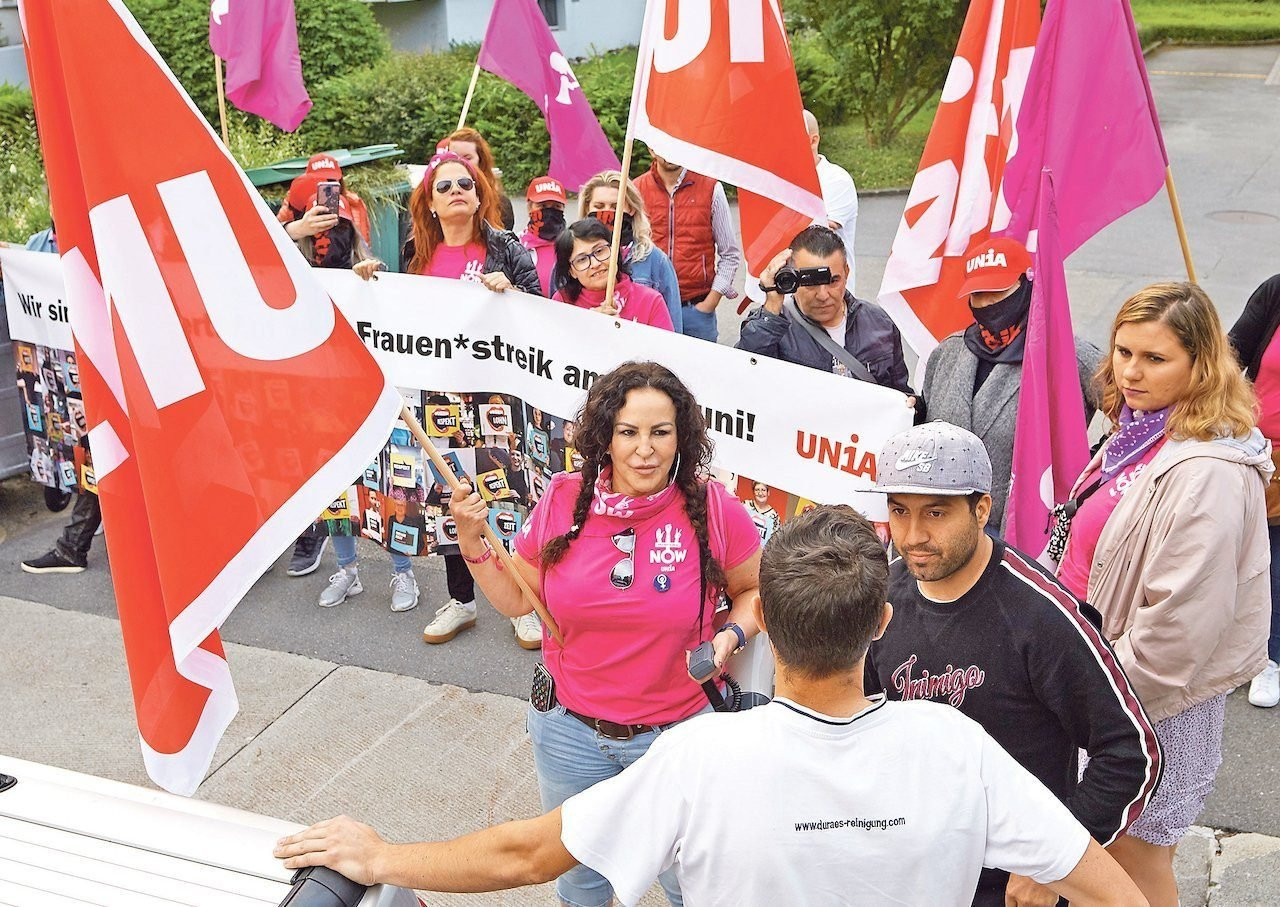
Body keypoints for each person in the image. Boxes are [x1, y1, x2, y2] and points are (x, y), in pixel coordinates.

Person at [274, 506, 1149, 907]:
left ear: (760, 615)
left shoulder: (702, 757)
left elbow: (523, 856)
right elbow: (1115, 894)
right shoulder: (953, 745)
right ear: (880, 621)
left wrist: (383, 853)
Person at [460, 361, 764, 904]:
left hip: (677, 738)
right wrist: (471, 540)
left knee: (690, 883)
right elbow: (513, 598)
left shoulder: (714, 508)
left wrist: (732, 636)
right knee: (579, 879)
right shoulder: (561, 498)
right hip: (569, 733)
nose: (643, 449)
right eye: (628, 432)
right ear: (605, 437)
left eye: (660, 432)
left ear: (682, 437)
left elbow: (754, 591)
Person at [867, 420, 1161, 907]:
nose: (913, 535)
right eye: (899, 511)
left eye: (935, 513)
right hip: (913, 873)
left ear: (982, 509)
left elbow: (1132, 752)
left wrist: (1056, 864)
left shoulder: (1039, 615)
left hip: (1013, 889)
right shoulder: (881, 598)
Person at [1055, 283, 1270, 906]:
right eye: (1123, 352)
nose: (1130, 372)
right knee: (1102, 859)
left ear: (1200, 365)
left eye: (1155, 359)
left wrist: (1094, 696)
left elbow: (1177, 632)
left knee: (1135, 860)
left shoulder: (1210, 473)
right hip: (1098, 675)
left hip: (1144, 701)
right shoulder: (1141, 430)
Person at [921, 235, 1102, 533]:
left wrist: (1087, 463)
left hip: (1021, 530)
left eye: (998, 291)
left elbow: (1133, 407)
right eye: (978, 294)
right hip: (944, 523)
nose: (987, 303)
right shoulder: (949, 352)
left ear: (1025, 285)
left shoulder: (1062, 354)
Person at [277, 154, 382, 578]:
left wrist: (366, 273)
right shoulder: (289, 221)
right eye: (321, 185)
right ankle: (309, 531)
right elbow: (253, 254)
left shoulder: (352, 212)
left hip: (343, 357)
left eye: (334, 184)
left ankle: (354, 540)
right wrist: (295, 231)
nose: (329, 192)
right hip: (297, 354)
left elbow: (371, 272)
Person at [737, 225, 914, 397]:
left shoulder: (880, 323)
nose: (823, 295)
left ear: (846, 272)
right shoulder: (772, 327)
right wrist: (772, 304)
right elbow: (742, 379)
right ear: (792, 279)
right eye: (811, 282)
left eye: (833, 281)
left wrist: (913, 406)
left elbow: (900, 395)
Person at [1227, 273, 1280, 708]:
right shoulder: (1276, 290)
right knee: (1242, 551)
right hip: (1256, 448)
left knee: (1278, 556)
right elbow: (1231, 351)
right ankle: (1236, 651)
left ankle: (1271, 657)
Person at [634, 152, 741, 342]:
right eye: (663, 143)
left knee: (698, 371)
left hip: (696, 309)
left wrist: (710, 302)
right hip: (649, 308)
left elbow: (730, 255)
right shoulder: (636, 190)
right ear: (650, 148)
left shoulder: (711, 188)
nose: (669, 150)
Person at [579, 170, 682, 331]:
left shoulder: (655, 260)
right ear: (587, 209)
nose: (607, 212)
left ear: (632, 209)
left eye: (615, 206)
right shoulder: (571, 259)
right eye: (599, 206)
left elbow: (672, 328)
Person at [551, 219, 674, 331]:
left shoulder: (650, 301)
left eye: (599, 251)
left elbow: (665, 353)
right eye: (582, 259)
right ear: (571, 271)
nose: (595, 264)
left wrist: (619, 333)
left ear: (615, 251)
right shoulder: (562, 301)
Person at [803, 109, 858, 287]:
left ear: (813, 140)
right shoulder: (783, 182)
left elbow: (821, 231)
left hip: (831, 290)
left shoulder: (836, 179)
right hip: (794, 293)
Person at [437, 127, 515, 231]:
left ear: (481, 160)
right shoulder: (436, 198)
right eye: (454, 157)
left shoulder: (501, 205)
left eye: (467, 158)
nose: (461, 163)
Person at [519, 175, 567, 296]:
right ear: (530, 207)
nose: (549, 212)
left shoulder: (573, 244)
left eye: (556, 206)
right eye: (543, 206)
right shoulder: (515, 244)